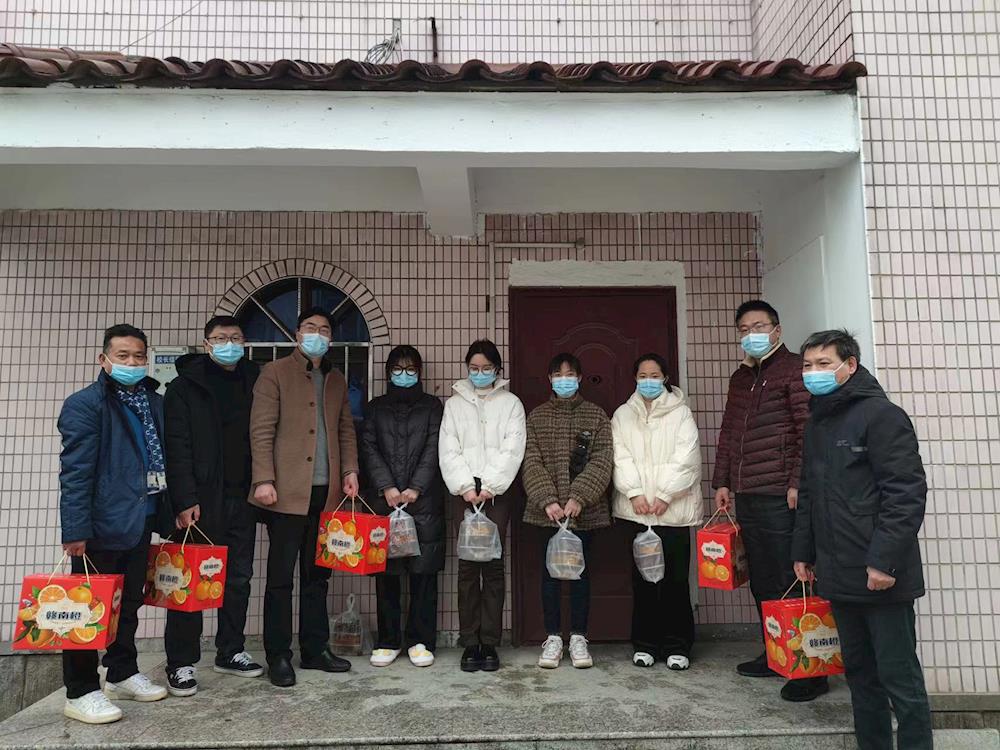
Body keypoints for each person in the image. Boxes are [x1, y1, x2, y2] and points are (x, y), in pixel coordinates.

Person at [792, 330, 932, 750]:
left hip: (881, 576)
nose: (813, 373)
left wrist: (883, 561)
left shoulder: (881, 415)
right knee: (860, 676)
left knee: (899, 678)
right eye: (807, 365)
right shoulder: (818, 422)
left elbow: (905, 493)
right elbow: (809, 494)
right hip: (838, 573)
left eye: (823, 364)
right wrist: (803, 552)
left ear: (850, 365)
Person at [712, 300, 826, 702]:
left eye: (759, 327)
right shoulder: (741, 378)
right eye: (744, 329)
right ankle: (776, 653)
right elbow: (729, 433)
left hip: (782, 495)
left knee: (790, 578)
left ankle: (809, 670)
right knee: (760, 579)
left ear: (777, 330)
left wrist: (797, 482)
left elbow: (807, 430)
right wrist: (722, 481)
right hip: (749, 495)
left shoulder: (794, 370)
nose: (751, 335)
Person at [57, 324, 169, 724]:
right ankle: (80, 690)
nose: (132, 363)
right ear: (103, 359)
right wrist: (75, 530)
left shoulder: (153, 401)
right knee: (86, 606)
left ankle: (121, 671)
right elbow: (76, 472)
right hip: (101, 524)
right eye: (123, 356)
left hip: (142, 517)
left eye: (139, 356)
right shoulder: (86, 404)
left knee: (129, 602)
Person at [249, 306, 360, 687]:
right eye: (310, 328)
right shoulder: (274, 372)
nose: (317, 334)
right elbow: (261, 429)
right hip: (284, 493)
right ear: (297, 334)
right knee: (280, 578)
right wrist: (263, 478)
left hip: (326, 493)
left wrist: (349, 471)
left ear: (331, 338)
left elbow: (346, 430)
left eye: (324, 329)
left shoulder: (336, 378)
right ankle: (278, 655)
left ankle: (315, 649)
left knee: (318, 578)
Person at [161, 316, 263, 697]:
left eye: (235, 338)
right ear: (206, 344)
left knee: (238, 578)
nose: (229, 344)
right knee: (192, 578)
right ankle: (181, 662)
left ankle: (230, 649)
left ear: (245, 342)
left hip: (243, 497)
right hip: (200, 502)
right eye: (221, 338)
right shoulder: (183, 388)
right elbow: (177, 447)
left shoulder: (255, 380)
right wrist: (185, 499)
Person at [521, 353, 613, 670]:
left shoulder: (596, 415)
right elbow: (530, 460)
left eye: (570, 374)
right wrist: (547, 499)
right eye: (558, 374)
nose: (564, 379)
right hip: (547, 513)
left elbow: (602, 459)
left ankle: (578, 637)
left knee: (580, 576)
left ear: (580, 377)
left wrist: (579, 497)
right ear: (549, 379)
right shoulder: (536, 417)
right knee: (549, 576)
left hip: (583, 513)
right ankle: (553, 638)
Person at [439, 339, 526, 672]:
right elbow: (448, 447)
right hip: (462, 493)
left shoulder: (511, 404)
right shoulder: (454, 404)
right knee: (466, 570)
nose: (479, 374)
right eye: (474, 368)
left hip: (496, 495)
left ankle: (489, 642)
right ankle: (469, 642)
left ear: (497, 369)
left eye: (486, 368)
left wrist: (489, 486)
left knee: (492, 567)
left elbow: (513, 448)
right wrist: (465, 487)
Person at [612, 353, 702, 670]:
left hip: (673, 512)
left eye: (654, 375)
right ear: (634, 378)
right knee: (644, 581)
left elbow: (687, 457)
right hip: (638, 512)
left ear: (665, 378)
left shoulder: (681, 412)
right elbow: (619, 457)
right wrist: (634, 492)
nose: (648, 381)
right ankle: (645, 644)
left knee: (676, 581)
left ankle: (678, 645)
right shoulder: (623, 414)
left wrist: (665, 495)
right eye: (642, 375)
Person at [361, 345, 445, 668]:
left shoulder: (432, 406)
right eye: (398, 368)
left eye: (410, 369)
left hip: (423, 501)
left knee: (424, 574)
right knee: (387, 575)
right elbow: (368, 447)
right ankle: (388, 640)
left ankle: (421, 640)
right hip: (385, 502)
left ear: (419, 373)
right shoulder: (375, 408)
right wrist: (387, 486)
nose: (404, 374)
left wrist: (416, 488)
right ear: (388, 372)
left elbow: (434, 446)